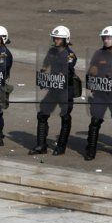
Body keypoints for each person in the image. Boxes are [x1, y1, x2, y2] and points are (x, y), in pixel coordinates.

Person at [29, 26, 77, 155]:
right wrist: (43, 71)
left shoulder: (70, 55)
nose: (56, 40)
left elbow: (67, 68)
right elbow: (46, 63)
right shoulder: (52, 51)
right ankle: (41, 145)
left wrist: (61, 74)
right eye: (55, 38)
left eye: (59, 38)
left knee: (65, 116)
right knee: (42, 114)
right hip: (54, 88)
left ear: (65, 39)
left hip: (66, 89)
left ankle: (61, 146)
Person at [84, 26, 112, 160]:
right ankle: (91, 149)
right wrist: (93, 74)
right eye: (104, 38)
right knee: (95, 121)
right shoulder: (98, 53)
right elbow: (92, 69)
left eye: (109, 38)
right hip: (100, 93)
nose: (106, 40)